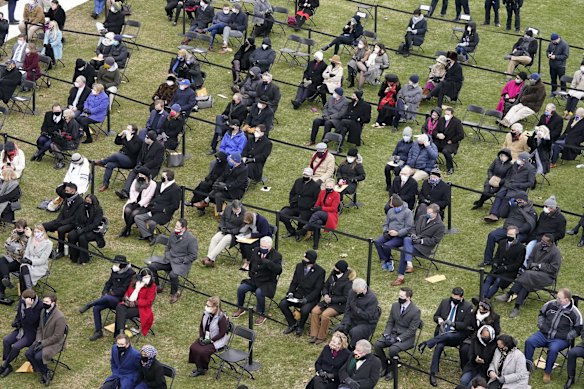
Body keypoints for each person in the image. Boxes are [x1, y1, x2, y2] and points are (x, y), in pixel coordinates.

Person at [417, 287, 474, 387]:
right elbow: (435, 316)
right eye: (453, 297)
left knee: (445, 337)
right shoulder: (445, 302)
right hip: (442, 332)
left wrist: (453, 324)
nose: (454, 300)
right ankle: (433, 372)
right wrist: (439, 319)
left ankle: (427, 342)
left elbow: (465, 325)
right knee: (439, 345)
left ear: (462, 297)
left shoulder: (468, 306)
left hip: (457, 334)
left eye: (456, 298)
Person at [524, 288, 582, 384]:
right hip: (544, 334)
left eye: (559, 298)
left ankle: (547, 372)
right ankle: (527, 366)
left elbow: (578, 329)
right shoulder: (550, 304)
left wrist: (567, 336)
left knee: (553, 349)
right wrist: (541, 325)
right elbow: (541, 314)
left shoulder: (575, 313)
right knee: (529, 341)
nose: (557, 299)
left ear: (566, 300)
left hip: (560, 339)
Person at [496, 233, 562, 318]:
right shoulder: (538, 246)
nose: (541, 242)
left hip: (547, 276)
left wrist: (539, 266)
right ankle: (517, 307)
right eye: (542, 240)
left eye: (544, 241)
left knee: (527, 275)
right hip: (532, 273)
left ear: (550, 243)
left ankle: (509, 294)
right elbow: (530, 258)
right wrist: (531, 265)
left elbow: (554, 268)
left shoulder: (555, 253)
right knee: (526, 282)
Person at [79, 255, 135, 341]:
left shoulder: (130, 274)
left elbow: (124, 289)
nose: (115, 265)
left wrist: (110, 294)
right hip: (110, 297)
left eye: (116, 264)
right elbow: (108, 283)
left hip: (120, 300)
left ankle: (89, 304)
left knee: (108, 298)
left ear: (122, 265)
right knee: (96, 308)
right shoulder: (114, 271)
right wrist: (104, 292)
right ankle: (98, 331)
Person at [374, 287, 421, 381]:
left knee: (392, 349)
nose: (399, 297)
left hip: (406, 338)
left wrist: (398, 339)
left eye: (402, 296)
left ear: (408, 298)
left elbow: (412, 330)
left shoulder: (415, 311)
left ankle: (392, 369)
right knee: (377, 345)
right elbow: (390, 322)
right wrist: (386, 334)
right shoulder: (395, 306)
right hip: (393, 333)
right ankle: (384, 365)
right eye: (399, 295)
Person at [391, 203, 445, 286]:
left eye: (429, 213)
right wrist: (413, 235)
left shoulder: (440, 225)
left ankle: (400, 277)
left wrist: (421, 241)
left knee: (404, 250)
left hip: (423, 247)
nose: (427, 214)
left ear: (435, 213)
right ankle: (409, 263)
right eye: (427, 212)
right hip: (413, 241)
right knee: (407, 239)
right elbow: (413, 228)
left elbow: (435, 240)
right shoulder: (422, 217)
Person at [146, 218, 197, 304]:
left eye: (177, 226)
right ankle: (157, 286)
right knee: (152, 266)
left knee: (172, 275)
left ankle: (174, 293)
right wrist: (167, 254)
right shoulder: (173, 234)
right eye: (175, 226)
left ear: (184, 228)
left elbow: (193, 255)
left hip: (181, 263)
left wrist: (182, 260)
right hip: (169, 260)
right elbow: (168, 247)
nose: (175, 228)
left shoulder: (191, 239)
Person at [481, 191, 536, 266]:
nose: (519, 201)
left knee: (512, 242)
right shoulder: (513, 206)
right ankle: (487, 260)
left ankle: (504, 262)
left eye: (521, 200)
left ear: (526, 200)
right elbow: (502, 215)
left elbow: (529, 225)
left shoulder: (531, 211)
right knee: (492, 235)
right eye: (518, 199)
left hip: (520, 233)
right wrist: (508, 205)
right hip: (506, 229)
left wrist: (517, 230)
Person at [279, 250, 325, 337]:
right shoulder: (299, 266)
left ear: (311, 260)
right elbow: (294, 282)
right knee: (282, 304)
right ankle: (292, 323)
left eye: (305, 258)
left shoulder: (320, 271)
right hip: (298, 294)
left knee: (305, 310)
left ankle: (300, 326)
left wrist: (307, 299)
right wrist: (291, 293)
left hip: (310, 298)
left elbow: (317, 290)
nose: (303, 259)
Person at [24, 292, 66, 385]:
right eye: (43, 301)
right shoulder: (43, 311)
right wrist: (38, 340)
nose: (44, 303)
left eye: (46, 301)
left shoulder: (60, 317)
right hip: (42, 339)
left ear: (53, 303)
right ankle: (42, 371)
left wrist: (42, 343)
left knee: (38, 357)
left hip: (55, 343)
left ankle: (45, 372)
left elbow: (57, 336)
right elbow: (39, 328)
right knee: (28, 354)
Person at [310, 260, 355, 345]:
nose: (334, 269)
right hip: (328, 300)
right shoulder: (333, 275)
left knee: (325, 315)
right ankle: (314, 334)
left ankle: (321, 336)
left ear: (341, 270)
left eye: (336, 268)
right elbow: (325, 286)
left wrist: (332, 300)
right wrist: (325, 294)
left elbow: (345, 298)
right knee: (314, 311)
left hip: (339, 305)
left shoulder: (348, 282)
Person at [0, 289, 42, 378]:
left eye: (23, 299)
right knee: (6, 340)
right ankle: (7, 365)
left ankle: (4, 365)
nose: (21, 300)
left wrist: (28, 308)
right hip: (21, 329)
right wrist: (16, 321)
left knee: (16, 347)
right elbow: (18, 315)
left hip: (31, 333)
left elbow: (31, 321)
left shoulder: (39, 306)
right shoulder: (22, 302)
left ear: (30, 300)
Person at [483, 152, 536, 222]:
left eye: (520, 159)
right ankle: (493, 214)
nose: (518, 160)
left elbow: (531, 183)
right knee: (499, 194)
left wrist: (518, 185)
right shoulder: (515, 164)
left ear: (524, 160)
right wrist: (507, 182)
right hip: (508, 185)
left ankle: (498, 215)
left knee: (507, 197)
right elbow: (508, 175)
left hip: (518, 188)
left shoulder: (531, 169)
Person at [134, 169, 181, 244]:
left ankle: (149, 236)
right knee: (137, 217)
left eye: (163, 176)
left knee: (151, 222)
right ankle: (148, 235)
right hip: (153, 209)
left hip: (163, 213)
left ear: (168, 178)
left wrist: (165, 210)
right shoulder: (159, 184)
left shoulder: (176, 189)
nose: (161, 177)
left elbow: (175, 205)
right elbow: (154, 197)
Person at [188, 296, 230, 377]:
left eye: (208, 306)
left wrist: (211, 340)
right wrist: (201, 336)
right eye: (206, 305)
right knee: (193, 347)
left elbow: (222, 333)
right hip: (205, 337)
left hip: (216, 340)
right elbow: (201, 326)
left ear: (215, 307)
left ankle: (202, 369)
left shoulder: (221, 318)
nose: (206, 307)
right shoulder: (205, 314)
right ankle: (200, 367)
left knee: (202, 351)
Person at [115, 131, 165, 200]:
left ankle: (133, 193)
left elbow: (156, 162)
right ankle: (125, 191)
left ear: (151, 139)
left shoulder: (160, 148)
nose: (145, 138)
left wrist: (144, 167)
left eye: (147, 137)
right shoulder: (145, 144)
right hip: (142, 165)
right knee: (132, 173)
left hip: (152, 168)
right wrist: (138, 163)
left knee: (138, 176)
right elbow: (140, 156)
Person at [333, 278, 380, 349]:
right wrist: (346, 322)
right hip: (353, 319)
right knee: (340, 328)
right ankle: (340, 347)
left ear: (364, 289)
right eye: (355, 291)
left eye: (358, 292)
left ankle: (352, 348)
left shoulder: (372, 298)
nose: (356, 293)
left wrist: (356, 309)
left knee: (354, 332)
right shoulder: (352, 292)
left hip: (366, 323)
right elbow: (348, 310)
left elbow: (368, 316)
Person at [481, 225, 525, 299]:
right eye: (508, 234)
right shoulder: (502, 243)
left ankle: (487, 298)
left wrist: (505, 268)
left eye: (511, 235)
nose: (509, 236)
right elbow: (497, 256)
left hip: (509, 272)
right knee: (489, 279)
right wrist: (495, 263)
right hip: (498, 268)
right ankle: (482, 296)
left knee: (498, 281)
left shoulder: (521, 248)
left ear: (516, 235)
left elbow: (518, 264)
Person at [95, 124, 143, 192]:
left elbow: (133, 150)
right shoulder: (126, 136)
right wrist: (120, 135)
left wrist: (129, 140)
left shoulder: (138, 140)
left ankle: (102, 162)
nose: (126, 131)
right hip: (122, 157)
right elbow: (117, 142)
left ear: (133, 131)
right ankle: (105, 184)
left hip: (130, 161)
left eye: (128, 130)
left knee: (115, 155)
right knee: (110, 165)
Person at [295, 179, 340, 250]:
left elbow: (333, 208)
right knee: (317, 222)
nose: (329, 187)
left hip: (330, 215)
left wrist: (321, 208)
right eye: (327, 186)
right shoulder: (322, 192)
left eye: (330, 186)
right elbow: (317, 203)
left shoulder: (336, 195)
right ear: (325, 186)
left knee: (318, 213)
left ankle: (304, 229)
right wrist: (315, 208)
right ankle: (315, 244)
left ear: (333, 186)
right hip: (319, 215)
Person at [200, 200, 246, 267]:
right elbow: (222, 219)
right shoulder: (228, 208)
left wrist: (231, 231)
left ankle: (209, 258)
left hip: (234, 234)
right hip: (224, 230)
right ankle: (211, 261)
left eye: (238, 209)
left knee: (225, 239)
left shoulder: (244, 214)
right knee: (214, 239)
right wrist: (222, 227)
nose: (237, 211)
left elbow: (242, 228)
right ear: (232, 208)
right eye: (235, 209)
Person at [42, 183, 83, 257]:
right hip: (62, 221)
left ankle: (61, 251)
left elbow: (75, 218)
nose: (65, 192)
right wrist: (65, 184)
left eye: (67, 191)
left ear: (73, 191)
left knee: (61, 230)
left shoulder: (80, 202)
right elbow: (58, 190)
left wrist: (62, 223)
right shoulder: (67, 198)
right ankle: (43, 246)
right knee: (43, 226)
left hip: (72, 223)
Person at [375, 195, 414, 272]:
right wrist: (386, 231)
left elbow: (408, 228)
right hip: (389, 233)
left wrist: (397, 233)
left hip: (400, 236)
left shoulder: (408, 212)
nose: (395, 208)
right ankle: (386, 260)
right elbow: (386, 223)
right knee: (377, 242)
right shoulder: (390, 211)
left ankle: (388, 261)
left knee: (386, 246)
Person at [523, 195, 566, 266]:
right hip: (536, 238)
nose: (544, 208)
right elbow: (537, 226)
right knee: (528, 250)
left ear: (552, 208)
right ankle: (525, 266)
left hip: (547, 240)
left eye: (546, 206)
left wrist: (549, 238)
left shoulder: (561, 219)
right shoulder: (543, 214)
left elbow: (561, 234)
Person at [114, 268, 156, 337]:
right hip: (128, 304)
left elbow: (148, 301)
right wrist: (135, 290)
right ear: (140, 277)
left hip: (141, 308)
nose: (147, 279)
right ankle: (121, 334)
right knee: (119, 307)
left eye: (149, 277)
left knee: (121, 313)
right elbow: (128, 293)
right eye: (145, 277)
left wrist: (136, 302)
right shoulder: (134, 282)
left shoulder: (152, 286)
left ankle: (118, 335)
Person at [280, 167, 321, 238]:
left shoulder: (315, 186)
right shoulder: (298, 181)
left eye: (307, 176)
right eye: (304, 175)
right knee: (282, 214)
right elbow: (292, 193)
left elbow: (316, 199)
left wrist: (310, 207)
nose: (305, 177)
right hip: (295, 206)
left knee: (302, 219)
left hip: (306, 209)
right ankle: (291, 231)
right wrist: (291, 201)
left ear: (311, 176)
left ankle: (299, 232)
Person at [67, 194, 105, 264]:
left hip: (93, 231)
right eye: (86, 200)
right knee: (71, 235)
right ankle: (74, 256)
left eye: (88, 201)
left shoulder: (98, 210)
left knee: (82, 237)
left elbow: (95, 224)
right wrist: (78, 227)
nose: (86, 202)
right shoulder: (82, 207)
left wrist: (83, 230)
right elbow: (77, 219)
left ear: (93, 201)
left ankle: (84, 258)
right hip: (82, 227)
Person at [119, 167, 156, 237]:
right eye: (139, 174)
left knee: (134, 213)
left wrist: (139, 204)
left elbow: (149, 197)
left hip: (144, 205)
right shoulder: (136, 180)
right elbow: (132, 191)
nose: (140, 176)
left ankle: (126, 229)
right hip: (134, 201)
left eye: (142, 175)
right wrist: (133, 201)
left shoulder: (152, 184)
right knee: (127, 210)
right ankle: (128, 228)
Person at [0, 220, 30, 302]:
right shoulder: (14, 232)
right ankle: (6, 278)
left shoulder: (28, 238)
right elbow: (6, 243)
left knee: (2, 268)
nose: (18, 230)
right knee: (1, 261)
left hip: (19, 260)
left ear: (25, 229)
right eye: (17, 228)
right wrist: (10, 247)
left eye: (20, 229)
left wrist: (15, 249)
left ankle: (1, 292)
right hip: (10, 256)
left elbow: (25, 252)